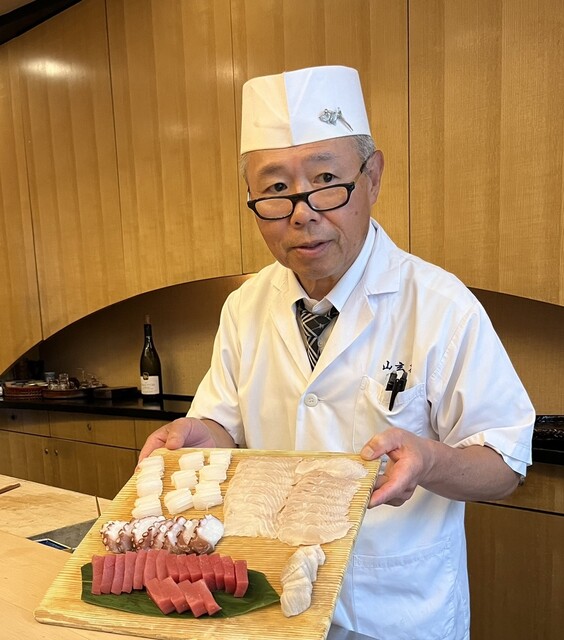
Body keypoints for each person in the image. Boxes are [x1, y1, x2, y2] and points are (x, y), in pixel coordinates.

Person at [139, 66, 535, 639]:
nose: (302, 212)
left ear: (372, 177)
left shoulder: (441, 305)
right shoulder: (245, 306)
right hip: (272, 598)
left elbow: (505, 463)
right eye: (276, 190)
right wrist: (202, 435)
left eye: (326, 179)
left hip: (395, 610)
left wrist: (429, 461)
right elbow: (224, 427)